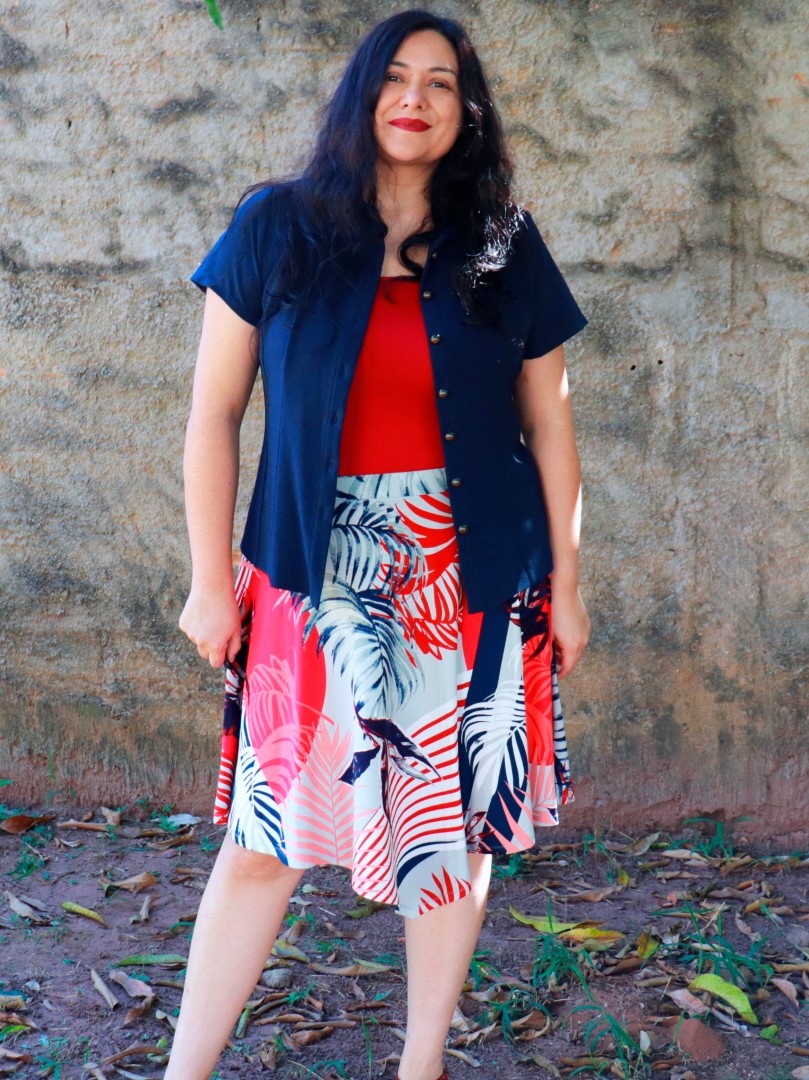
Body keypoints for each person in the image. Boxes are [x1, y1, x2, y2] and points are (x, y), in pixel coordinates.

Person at [172, 9, 590, 1080]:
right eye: (395, 77)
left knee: (448, 842)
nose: (415, 98)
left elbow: (549, 424)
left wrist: (570, 582)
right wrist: (209, 581)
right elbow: (214, 414)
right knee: (263, 842)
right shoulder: (275, 227)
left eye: (441, 83)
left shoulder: (502, 242)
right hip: (313, 579)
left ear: (466, 112)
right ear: (361, 97)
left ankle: (420, 1065)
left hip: (470, 579)